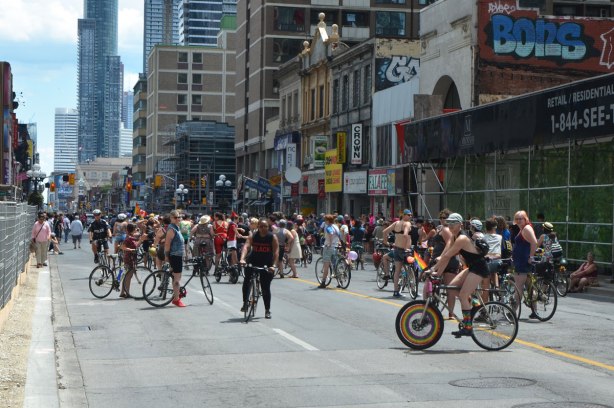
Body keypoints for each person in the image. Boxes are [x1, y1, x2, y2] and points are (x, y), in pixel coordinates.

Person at [430, 212, 490, 337]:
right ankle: (474, 306)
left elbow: (447, 256)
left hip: (479, 268)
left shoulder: (462, 238)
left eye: (453, 223)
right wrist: (438, 273)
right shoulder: (453, 236)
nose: (450, 226)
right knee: (451, 289)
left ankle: (468, 327)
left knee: (463, 294)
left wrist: (432, 270)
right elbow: (445, 255)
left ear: (460, 225)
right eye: (449, 223)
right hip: (471, 267)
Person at [239, 218, 279, 319]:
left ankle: (267, 310)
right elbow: (246, 246)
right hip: (253, 261)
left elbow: (276, 252)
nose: (263, 228)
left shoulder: (272, 237)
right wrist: (242, 259)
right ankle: (245, 303)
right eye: (261, 226)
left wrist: (273, 265)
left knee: (265, 287)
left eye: (265, 226)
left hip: (267, 263)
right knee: (247, 281)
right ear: (258, 227)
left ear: (268, 227)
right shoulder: (253, 235)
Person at [427, 209, 461, 317]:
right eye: (440, 218)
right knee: (449, 287)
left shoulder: (446, 230)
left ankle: (428, 309)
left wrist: (441, 258)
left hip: (447, 261)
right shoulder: (443, 229)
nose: (442, 220)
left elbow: (449, 246)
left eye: (444, 218)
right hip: (443, 260)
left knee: (449, 287)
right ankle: (449, 312)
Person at [511, 210, 538, 319]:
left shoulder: (526, 228)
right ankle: (535, 311)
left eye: (520, 218)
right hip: (521, 261)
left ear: (525, 219)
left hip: (523, 262)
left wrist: (531, 257)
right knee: (529, 286)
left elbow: (534, 242)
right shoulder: (523, 228)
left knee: (519, 287)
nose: (518, 221)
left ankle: (512, 312)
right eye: (516, 218)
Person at [381, 209, 413, 297]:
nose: (410, 216)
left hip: (397, 249)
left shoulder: (396, 223)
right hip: (404, 250)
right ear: (404, 215)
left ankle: (396, 291)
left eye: (411, 215)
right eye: (409, 215)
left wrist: (385, 242)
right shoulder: (407, 223)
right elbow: (406, 235)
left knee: (397, 271)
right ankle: (413, 290)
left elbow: (384, 232)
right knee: (412, 268)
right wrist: (407, 247)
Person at [164, 210, 187, 307]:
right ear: (171, 218)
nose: (178, 219)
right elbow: (167, 244)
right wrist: (166, 257)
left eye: (179, 217)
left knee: (177, 278)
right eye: (175, 217)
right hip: (175, 255)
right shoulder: (171, 229)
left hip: (178, 255)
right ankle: (176, 299)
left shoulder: (177, 227)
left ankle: (176, 295)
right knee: (177, 279)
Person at [120, 223, 147, 298]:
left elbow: (137, 244)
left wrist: (141, 237)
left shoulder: (131, 237)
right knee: (128, 276)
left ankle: (123, 292)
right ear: (132, 230)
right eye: (135, 229)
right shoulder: (128, 238)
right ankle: (127, 292)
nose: (136, 230)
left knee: (127, 276)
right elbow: (122, 247)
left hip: (132, 258)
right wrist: (131, 249)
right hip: (129, 258)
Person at [318, 214, 341, 289]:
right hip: (336, 246)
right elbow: (339, 235)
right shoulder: (336, 227)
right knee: (335, 264)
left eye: (325, 220)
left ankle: (323, 282)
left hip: (329, 247)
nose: (325, 221)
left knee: (326, 265)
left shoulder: (329, 227)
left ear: (328, 221)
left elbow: (330, 234)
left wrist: (329, 244)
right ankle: (339, 282)